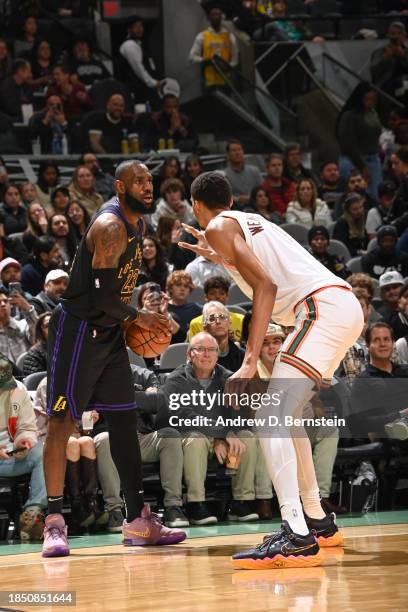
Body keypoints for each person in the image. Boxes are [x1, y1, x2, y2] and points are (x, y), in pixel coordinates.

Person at [179, 171, 363, 569]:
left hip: (320, 311)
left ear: (197, 205)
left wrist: (248, 359)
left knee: (270, 415)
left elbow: (265, 287)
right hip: (338, 307)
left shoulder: (217, 226)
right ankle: (317, 521)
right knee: (287, 416)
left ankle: (295, 535)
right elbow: (264, 272)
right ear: (229, 198)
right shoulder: (242, 224)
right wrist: (220, 257)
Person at [41, 159, 185, 558]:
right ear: (120, 187)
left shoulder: (138, 224)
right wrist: (141, 317)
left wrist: (138, 321)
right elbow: (103, 297)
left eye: (150, 180)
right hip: (79, 331)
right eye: (138, 181)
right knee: (61, 423)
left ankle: (138, 520)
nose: (147, 186)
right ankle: (54, 523)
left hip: (110, 332)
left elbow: (117, 293)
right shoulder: (110, 226)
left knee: (125, 421)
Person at [160, 331, 260, 524]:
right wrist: (219, 435)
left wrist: (222, 437)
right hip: (187, 438)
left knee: (247, 436)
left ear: (218, 354)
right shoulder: (176, 379)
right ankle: (196, 504)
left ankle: (241, 503)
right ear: (190, 354)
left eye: (212, 350)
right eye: (201, 349)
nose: (207, 354)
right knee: (196, 439)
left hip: (219, 437)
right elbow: (183, 415)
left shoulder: (229, 379)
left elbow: (240, 414)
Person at [92, 364, 189, 531]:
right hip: (111, 437)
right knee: (105, 439)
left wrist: (114, 400)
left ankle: (173, 506)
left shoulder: (143, 374)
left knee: (170, 435)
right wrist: (141, 397)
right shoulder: (93, 374)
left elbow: (158, 402)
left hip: (142, 437)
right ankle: (114, 510)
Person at [0, 357, 47, 541]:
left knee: (42, 451)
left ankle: (32, 515)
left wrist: (23, 442)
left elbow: (28, 426)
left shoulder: (18, 389)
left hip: (11, 455)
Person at [350, 323, 408, 439]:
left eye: (386, 339)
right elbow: (362, 423)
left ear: (393, 343)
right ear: (367, 345)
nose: (382, 344)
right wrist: (401, 414)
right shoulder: (363, 380)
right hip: (391, 437)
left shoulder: (405, 370)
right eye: (377, 340)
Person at [336, 82, 383, 198]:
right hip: (354, 160)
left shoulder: (373, 113)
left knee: (375, 196)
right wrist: (362, 166)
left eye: (373, 99)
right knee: (356, 197)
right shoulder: (349, 116)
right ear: (360, 98)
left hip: (373, 159)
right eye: (367, 99)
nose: (370, 102)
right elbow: (348, 144)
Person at [189, 4, 239, 88]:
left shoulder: (229, 36)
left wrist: (228, 66)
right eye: (214, 14)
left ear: (221, 17)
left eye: (218, 14)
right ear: (209, 18)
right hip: (209, 81)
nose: (216, 17)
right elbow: (192, 57)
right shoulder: (202, 36)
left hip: (226, 81)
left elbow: (235, 58)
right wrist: (207, 61)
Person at [188, 275, 245, 342]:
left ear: (227, 296)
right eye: (212, 293)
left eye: (222, 293)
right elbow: (195, 348)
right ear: (206, 297)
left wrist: (232, 342)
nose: (217, 296)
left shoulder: (241, 320)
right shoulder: (195, 323)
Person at [370, 22, 408, 121]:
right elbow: (373, 70)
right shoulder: (380, 52)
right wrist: (386, 57)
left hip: (404, 87)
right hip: (386, 87)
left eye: (399, 33)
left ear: (404, 36)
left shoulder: (406, 52)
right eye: (393, 33)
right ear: (388, 35)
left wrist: (403, 56)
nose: (395, 36)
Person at [119, 17, 161, 104]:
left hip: (144, 89)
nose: (140, 29)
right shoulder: (129, 45)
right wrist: (153, 82)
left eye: (141, 26)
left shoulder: (138, 44)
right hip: (137, 90)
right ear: (129, 29)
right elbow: (138, 68)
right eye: (136, 26)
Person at [203, 301, 245, 372]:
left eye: (222, 317)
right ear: (205, 327)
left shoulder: (242, 356)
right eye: (212, 319)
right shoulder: (198, 356)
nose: (218, 321)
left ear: (229, 323)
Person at [223, 140, 262, 207]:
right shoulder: (224, 175)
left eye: (239, 149)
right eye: (234, 150)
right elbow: (223, 196)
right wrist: (238, 199)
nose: (237, 152)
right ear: (228, 155)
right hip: (236, 209)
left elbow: (262, 190)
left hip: (256, 207)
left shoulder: (254, 171)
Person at [166, 271, 202, 338]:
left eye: (186, 286)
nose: (182, 289)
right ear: (170, 288)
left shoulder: (195, 309)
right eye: (178, 285)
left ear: (190, 290)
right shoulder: (164, 308)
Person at [332, 192, 368, 257]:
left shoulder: (365, 218)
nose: (359, 211)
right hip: (348, 255)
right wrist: (359, 252)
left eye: (361, 207)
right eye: (355, 209)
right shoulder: (342, 223)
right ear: (348, 210)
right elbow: (342, 247)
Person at [22, 312, 50, 376]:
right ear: (41, 331)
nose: (53, 328)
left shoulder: (70, 347)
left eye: (56, 324)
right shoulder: (34, 354)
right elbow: (36, 381)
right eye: (47, 326)